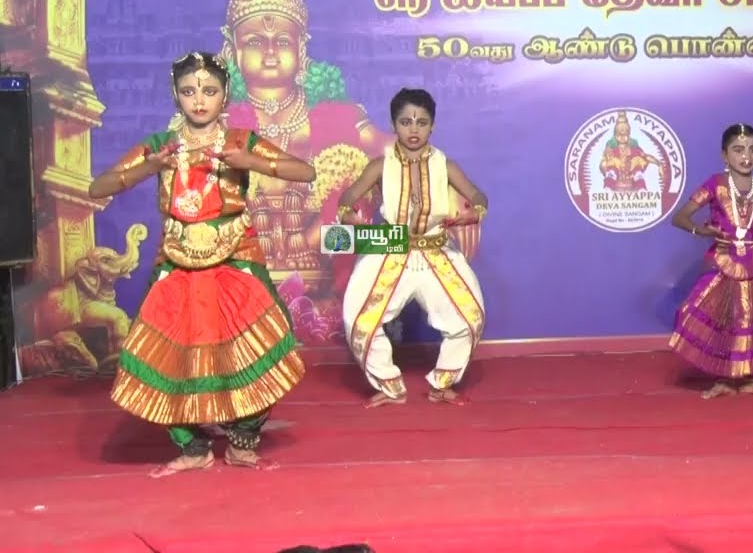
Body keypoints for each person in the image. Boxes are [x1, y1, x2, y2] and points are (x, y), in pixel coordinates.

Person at [88, 52, 314, 477]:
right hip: (177, 262)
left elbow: (305, 171)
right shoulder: (160, 147)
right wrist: (144, 170)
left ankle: (244, 441)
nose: (199, 100)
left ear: (224, 94)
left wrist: (255, 163)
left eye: (209, 91)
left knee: (264, 348)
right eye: (189, 91)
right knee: (167, 358)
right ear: (176, 95)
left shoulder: (240, 142)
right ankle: (192, 448)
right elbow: (97, 186)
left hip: (235, 258)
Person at [338, 89, 488, 408]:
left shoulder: (446, 165)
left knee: (469, 318)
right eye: (406, 121)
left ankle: (443, 383)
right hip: (390, 248)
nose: (414, 129)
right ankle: (390, 386)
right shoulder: (380, 165)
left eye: (422, 122)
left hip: (437, 250)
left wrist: (474, 213)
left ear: (432, 125)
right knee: (359, 320)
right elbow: (347, 198)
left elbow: (479, 197)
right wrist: (350, 214)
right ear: (394, 124)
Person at [669, 123, 753, 399]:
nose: (747, 156)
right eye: (738, 150)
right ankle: (725, 379)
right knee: (722, 319)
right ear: (724, 155)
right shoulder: (715, 185)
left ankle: (750, 377)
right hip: (722, 262)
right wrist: (701, 230)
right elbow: (679, 217)